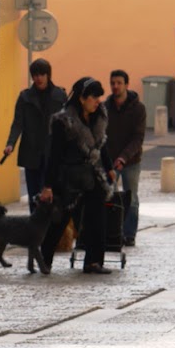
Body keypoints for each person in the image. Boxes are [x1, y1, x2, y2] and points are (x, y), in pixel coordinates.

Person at [39, 77, 114, 274]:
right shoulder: (63, 121)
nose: (98, 101)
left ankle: (93, 262)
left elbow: (101, 144)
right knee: (60, 219)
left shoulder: (99, 117)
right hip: (68, 177)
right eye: (94, 97)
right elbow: (54, 155)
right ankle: (44, 259)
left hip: (92, 175)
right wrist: (48, 185)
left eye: (99, 97)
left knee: (97, 218)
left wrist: (109, 167)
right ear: (82, 98)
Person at [3, 59, 67, 211]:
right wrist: (10, 143)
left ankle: (51, 231)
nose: (38, 78)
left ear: (48, 75)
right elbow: (17, 123)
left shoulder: (60, 96)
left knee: (54, 195)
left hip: (53, 152)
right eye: (35, 75)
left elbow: (68, 124)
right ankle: (35, 230)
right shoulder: (25, 97)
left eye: (42, 74)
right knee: (34, 196)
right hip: (31, 151)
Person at [105, 69, 146, 247]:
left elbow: (138, 138)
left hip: (131, 161)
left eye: (119, 83)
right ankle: (113, 232)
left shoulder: (138, 108)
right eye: (113, 83)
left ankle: (129, 234)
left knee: (132, 198)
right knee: (110, 198)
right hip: (110, 161)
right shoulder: (105, 108)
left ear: (127, 85)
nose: (115, 86)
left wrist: (123, 157)